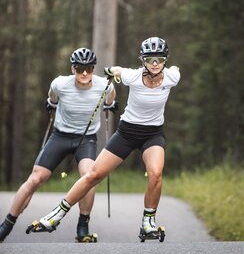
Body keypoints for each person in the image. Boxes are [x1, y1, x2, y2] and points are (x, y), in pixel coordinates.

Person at [28, 37, 180, 238]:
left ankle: (148, 223)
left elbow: (176, 70)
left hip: (153, 134)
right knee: (93, 175)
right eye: (150, 59)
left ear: (165, 60)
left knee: (156, 173)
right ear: (143, 59)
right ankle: (55, 216)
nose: (154, 64)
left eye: (159, 59)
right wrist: (110, 71)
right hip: (127, 133)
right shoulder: (132, 76)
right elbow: (117, 70)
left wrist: (175, 67)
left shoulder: (172, 77)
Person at [0, 47, 116, 243]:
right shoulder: (60, 83)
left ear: (94, 68)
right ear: (73, 69)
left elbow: (110, 99)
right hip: (60, 136)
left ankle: (83, 225)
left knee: (89, 176)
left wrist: (110, 105)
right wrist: (51, 103)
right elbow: (52, 96)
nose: (85, 73)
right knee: (36, 178)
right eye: (80, 69)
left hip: (86, 139)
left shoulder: (105, 85)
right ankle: (7, 224)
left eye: (88, 68)